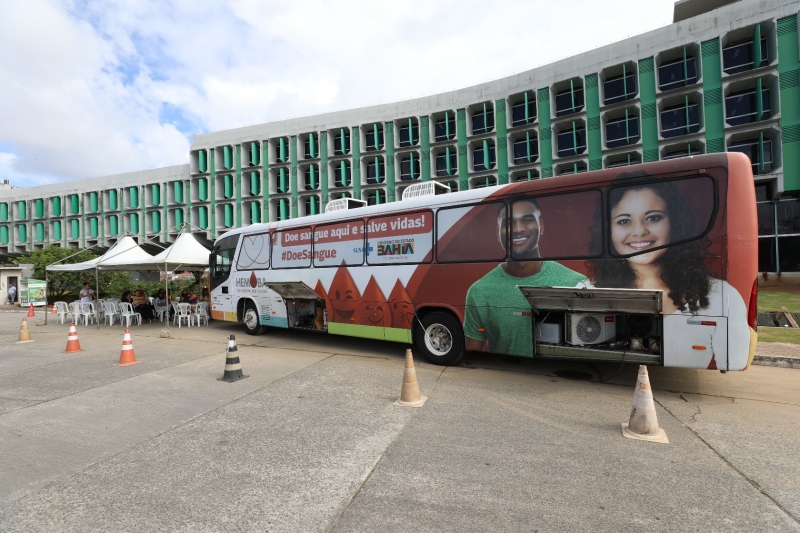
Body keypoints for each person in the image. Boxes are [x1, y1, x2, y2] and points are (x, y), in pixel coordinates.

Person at [583, 173, 749, 368]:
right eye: (624, 221)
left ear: (674, 224)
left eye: (653, 218)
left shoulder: (722, 296)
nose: (639, 231)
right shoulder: (586, 292)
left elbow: (734, 360)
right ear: (607, 232)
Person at [464, 197, 586, 356]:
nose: (518, 229)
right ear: (497, 232)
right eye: (508, 223)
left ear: (541, 225)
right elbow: (473, 359)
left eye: (527, 220)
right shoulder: (479, 292)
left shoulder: (575, 283)